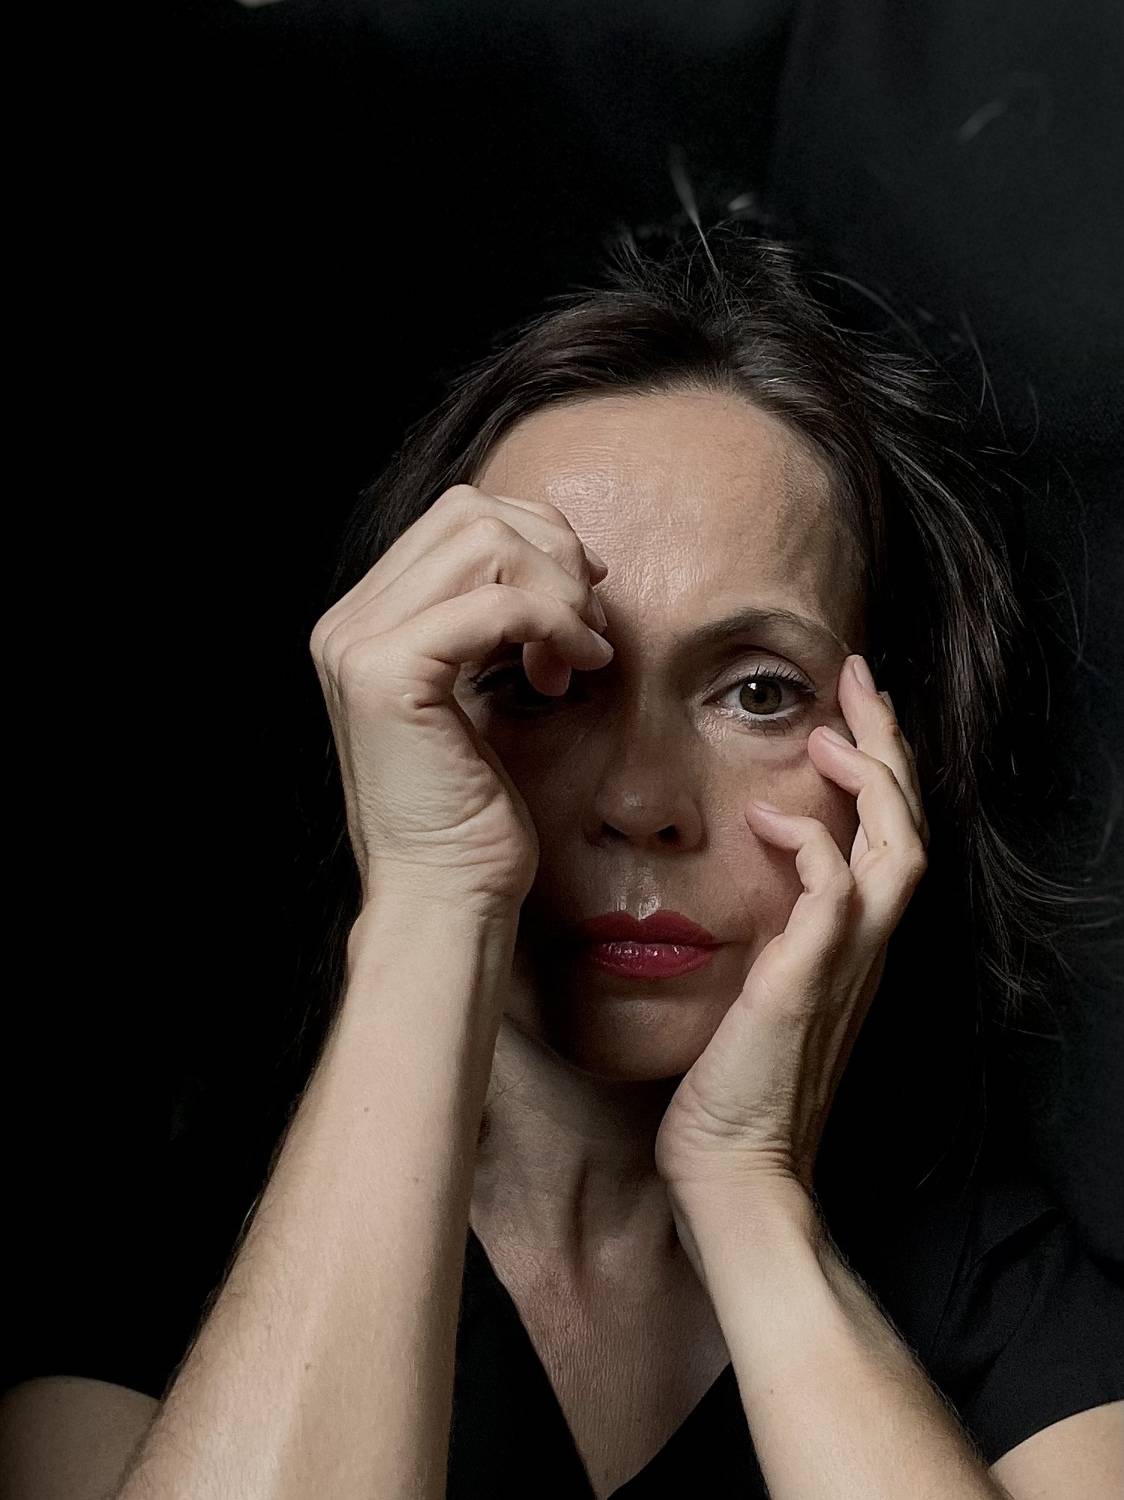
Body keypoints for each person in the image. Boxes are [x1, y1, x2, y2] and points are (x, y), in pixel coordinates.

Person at [1, 221, 1120, 1499]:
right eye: (535, 680)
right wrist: (430, 897)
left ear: (887, 754)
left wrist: (748, 1201)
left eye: (758, 691)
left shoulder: (989, 1282)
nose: (640, 802)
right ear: (403, 717)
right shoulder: (158, 1256)